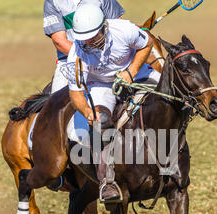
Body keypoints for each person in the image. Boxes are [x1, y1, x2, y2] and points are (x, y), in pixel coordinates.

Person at [67, 4, 161, 202]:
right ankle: (107, 181)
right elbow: (75, 92)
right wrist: (87, 112)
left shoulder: (124, 29)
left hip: (134, 72)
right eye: (84, 38)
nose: (88, 42)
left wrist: (131, 72)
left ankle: (177, 155)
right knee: (100, 123)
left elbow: (146, 44)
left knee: (169, 95)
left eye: (93, 36)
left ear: (104, 27)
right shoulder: (76, 54)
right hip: (101, 85)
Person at [44, 0, 125, 94]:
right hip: (71, 60)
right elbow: (59, 41)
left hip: (109, 56)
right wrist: (90, 59)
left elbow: (119, 27)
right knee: (56, 103)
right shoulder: (53, 2)